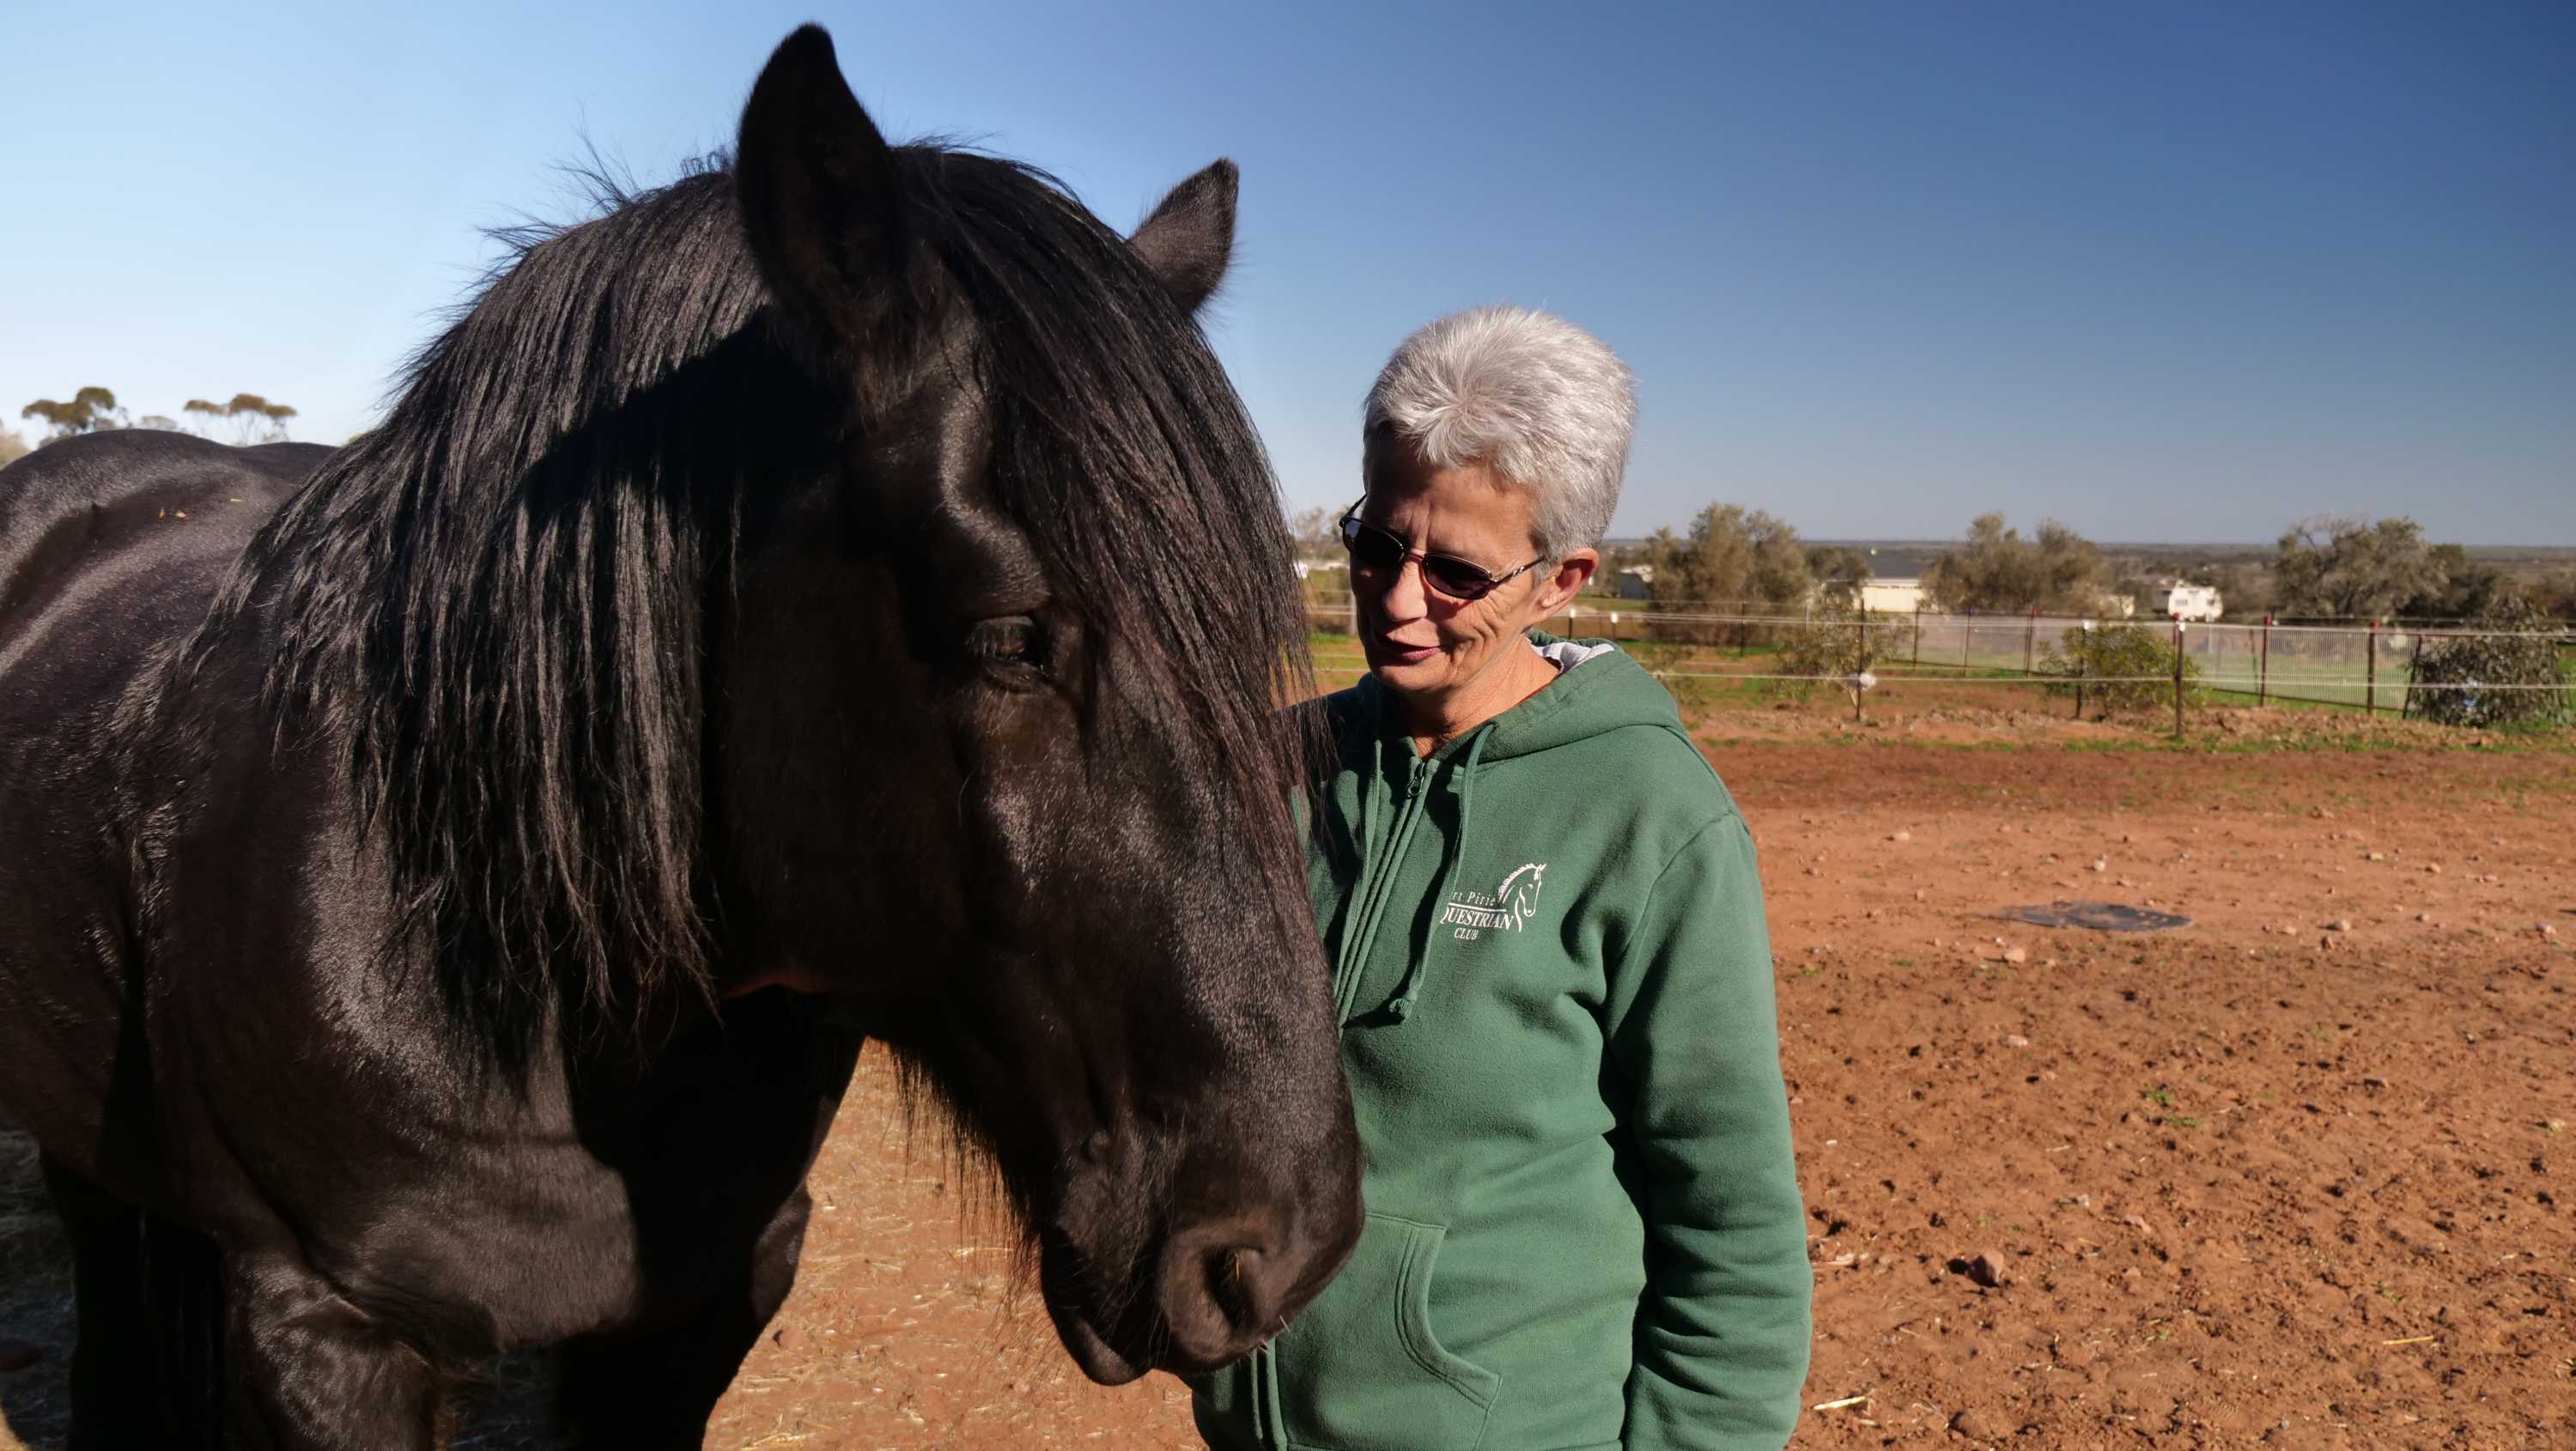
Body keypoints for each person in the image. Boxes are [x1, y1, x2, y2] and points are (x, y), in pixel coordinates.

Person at [1192, 307, 1810, 1451]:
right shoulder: (1270, 771)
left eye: (1459, 570)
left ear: (1562, 577)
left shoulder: (1651, 819)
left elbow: (1731, 1230)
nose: (1396, 594)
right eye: (1376, 543)